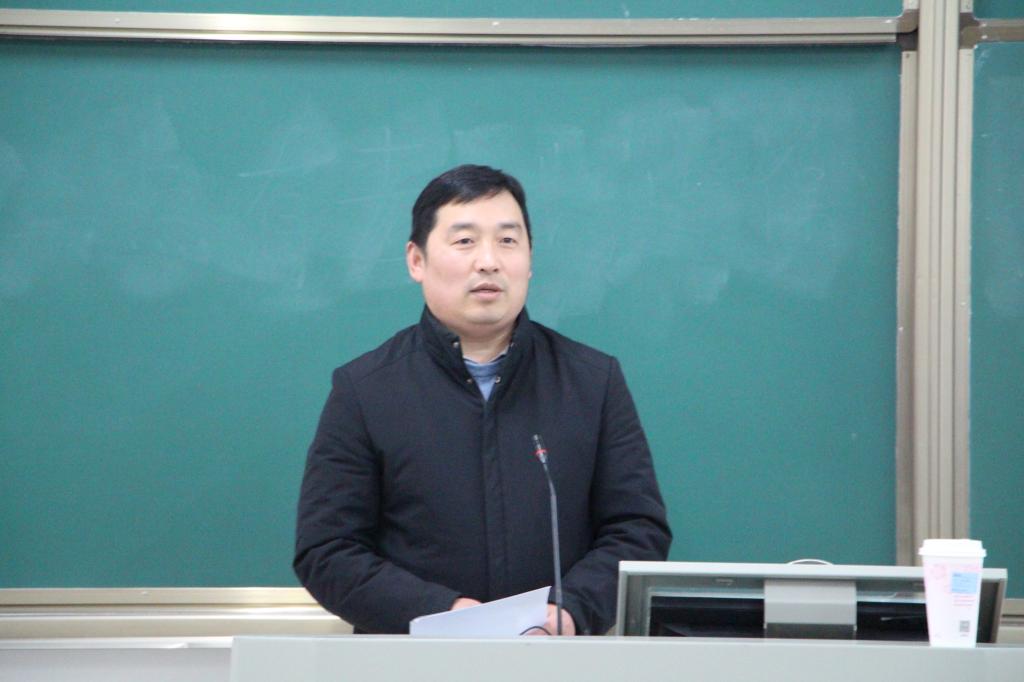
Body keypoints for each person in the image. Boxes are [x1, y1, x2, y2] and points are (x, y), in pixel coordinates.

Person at [294, 164, 671, 635]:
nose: (488, 261)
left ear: (529, 260)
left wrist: (569, 611)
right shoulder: (365, 390)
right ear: (416, 260)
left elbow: (637, 530)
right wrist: (444, 614)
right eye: (465, 241)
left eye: (508, 240)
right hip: (415, 660)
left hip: (556, 657)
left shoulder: (593, 381)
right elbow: (327, 551)